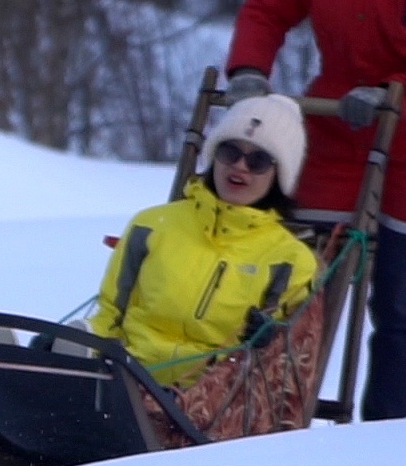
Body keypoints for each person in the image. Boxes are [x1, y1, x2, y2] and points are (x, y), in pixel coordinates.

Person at [224, 0, 406, 420]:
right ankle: (263, 415)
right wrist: (248, 68)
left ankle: (391, 433)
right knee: (295, 291)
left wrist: (396, 91)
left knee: (403, 307)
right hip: (334, 133)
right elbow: (267, 10)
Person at [91, 94, 318, 388]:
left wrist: (269, 339)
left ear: (279, 175)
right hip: (129, 375)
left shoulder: (291, 261)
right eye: (229, 151)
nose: (240, 166)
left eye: (258, 160)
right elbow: (110, 312)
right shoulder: (151, 225)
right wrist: (83, 344)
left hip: (217, 395)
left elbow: (291, 356)